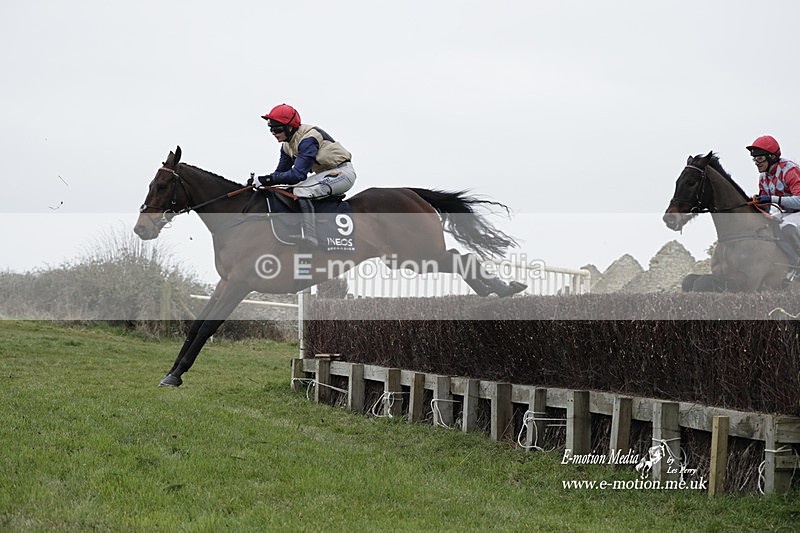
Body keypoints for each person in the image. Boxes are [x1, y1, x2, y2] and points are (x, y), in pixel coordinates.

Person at [257, 103, 356, 246]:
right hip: (325, 174)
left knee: (301, 190)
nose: (273, 132)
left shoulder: (308, 139)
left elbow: (298, 175)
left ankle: (310, 237)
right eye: (271, 129)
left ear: (289, 127)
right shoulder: (286, 146)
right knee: (284, 190)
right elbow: (280, 175)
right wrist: (261, 183)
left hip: (343, 173)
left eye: (277, 129)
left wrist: (265, 179)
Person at [747, 135, 800, 260]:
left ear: (772, 157)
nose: (756, 163)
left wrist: (772, 199)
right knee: (764, 227)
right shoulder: (763, 177)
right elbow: (766, 208)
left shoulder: (790, 170)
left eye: (759, 158)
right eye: (754, 159)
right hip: (787, 213)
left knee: (786, 227)